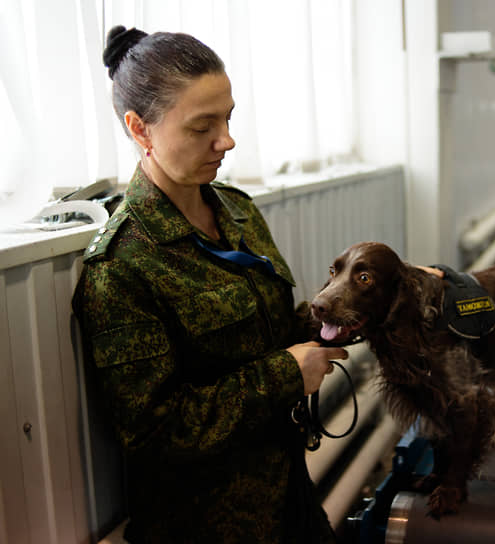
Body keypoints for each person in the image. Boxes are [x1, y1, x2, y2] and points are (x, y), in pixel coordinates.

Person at [72, 26, 348, 543]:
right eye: (203, 127)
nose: (227, 140)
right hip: (210, 526)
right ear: (141, 129)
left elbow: (266, 334)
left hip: (288, 498)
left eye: (228, 118)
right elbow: (155, 432)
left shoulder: (236, 210)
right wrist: (284, 376)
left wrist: (355, 304)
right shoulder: (122, 267)